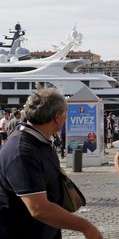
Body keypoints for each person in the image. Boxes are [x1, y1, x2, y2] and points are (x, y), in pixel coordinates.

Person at [0, 88, 102, 239]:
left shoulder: (41, 141)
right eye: (66, 114)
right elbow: (38, 208)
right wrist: (86, 227)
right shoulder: (22, 152)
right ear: (57, 118)